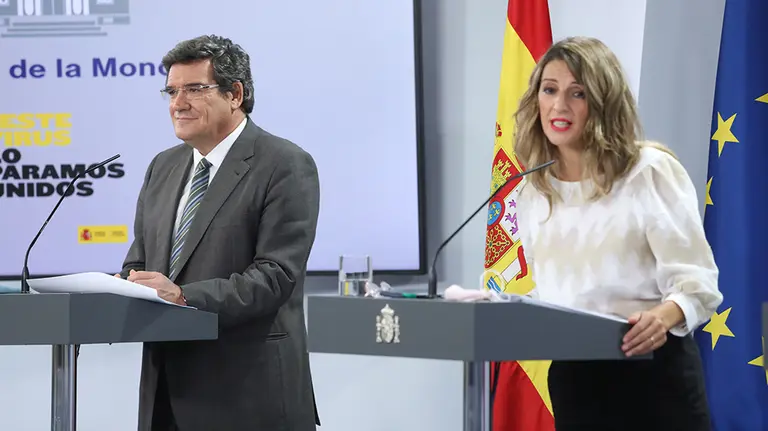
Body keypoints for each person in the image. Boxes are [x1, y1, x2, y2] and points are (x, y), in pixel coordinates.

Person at [513, 36, 723, 430]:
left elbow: (699, 283)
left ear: (603, 101)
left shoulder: (648, 171)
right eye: (550, 90)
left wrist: (662, 317)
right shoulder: (533, 191)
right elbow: (554, 291)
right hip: (576, 381)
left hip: (651, 376)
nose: (559, 106)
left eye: (578, 93)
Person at [117, 34, 321, 430]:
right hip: (166, 396)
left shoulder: (285, 164)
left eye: (195, 89)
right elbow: (140, 259)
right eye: (172, 91)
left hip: (247, 396)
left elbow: (275, 276)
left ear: (235, 94)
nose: (178, 103)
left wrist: (183, 296)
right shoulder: (163, 166)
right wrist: (126, 284)